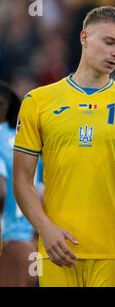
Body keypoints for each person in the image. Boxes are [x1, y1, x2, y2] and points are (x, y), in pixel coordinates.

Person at [13, 6, 115, 287]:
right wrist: (45, 230)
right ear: (84, 37)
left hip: (114, 253)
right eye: (109, 42)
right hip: (56, 250)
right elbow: (22, 181)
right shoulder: (38, 101)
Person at [0, 81, 37, 286]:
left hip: (7, 243)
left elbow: (1, 189)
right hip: (30, 243)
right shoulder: (24, 140)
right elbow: (41, 190)